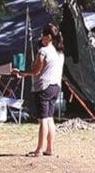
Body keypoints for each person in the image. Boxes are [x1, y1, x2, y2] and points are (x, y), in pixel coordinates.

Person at [16, 22, 64, 157]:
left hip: (43, 88)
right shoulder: (59, 53)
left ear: (49, 37)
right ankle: (50, 148)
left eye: (43, 34)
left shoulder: (43, 52)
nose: (41, 37)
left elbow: (36, 71)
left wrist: (22, 72)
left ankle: (39, 150)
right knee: (50, 118)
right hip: (56, 87)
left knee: (42, 119)